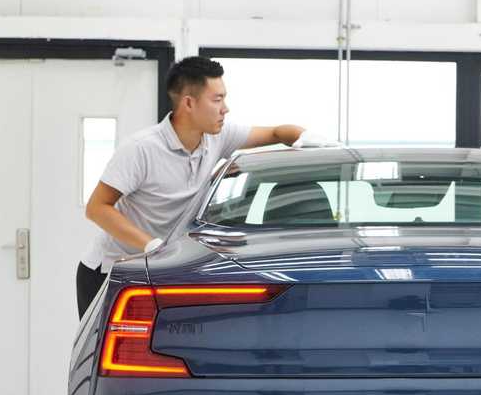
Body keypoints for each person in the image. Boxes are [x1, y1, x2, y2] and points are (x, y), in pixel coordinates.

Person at [77, 56, 319, 317]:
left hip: (159, 269)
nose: (225, 109)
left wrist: (312, 139)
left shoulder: (219, 137)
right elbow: (97, 208)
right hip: (110, 271)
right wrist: (152, 246)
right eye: (217, 100)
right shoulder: (141, 149)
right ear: (189, 103)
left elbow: (278, 133)